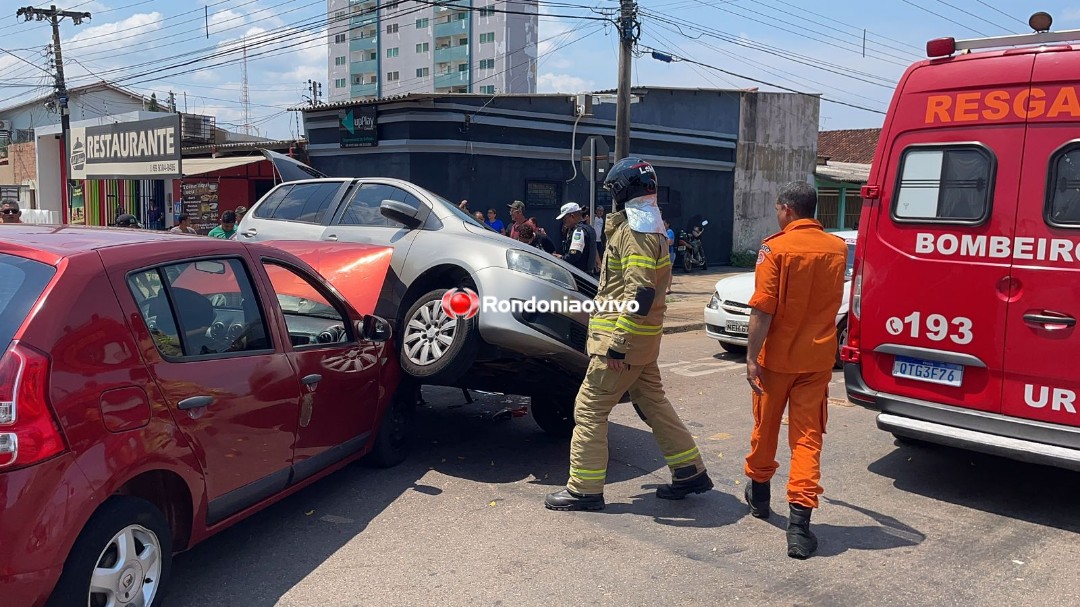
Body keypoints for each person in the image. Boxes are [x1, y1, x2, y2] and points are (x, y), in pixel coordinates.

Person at [545, 157, 712, 512]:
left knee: (589, 409)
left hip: (622, 342)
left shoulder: (634, 232)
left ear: (623, 192)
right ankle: (689, 470)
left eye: (612, 191)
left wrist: (619, 344)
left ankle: (584, 490)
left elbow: (641, 292)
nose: (610, 199)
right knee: (653, 402)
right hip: (644, 340)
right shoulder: (651, 227)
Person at [743, 181, 847, 560]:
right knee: (807, 439)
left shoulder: (776, 247)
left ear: (786, 209)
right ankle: (799, 528)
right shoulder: (837, 249)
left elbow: (763, 308)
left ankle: (758, 494)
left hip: (776, 361)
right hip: (817, 360)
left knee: (765, 428)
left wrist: (752, 357)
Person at [553, 202, 597, 274]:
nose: (564, 222)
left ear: (572, 216)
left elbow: (574, 254)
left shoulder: (578, 231)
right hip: (587, 274)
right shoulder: (589, 228)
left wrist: (561, 258)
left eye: (564, 219)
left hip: (579, 275)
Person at [664, 219, 675, 294]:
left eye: (664, 224)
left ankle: (668, 288)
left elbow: (671, 242)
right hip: (665, 254)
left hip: (669, 253)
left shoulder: (669, 231)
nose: (663, 225)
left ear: (668, 224)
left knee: (669, 271)